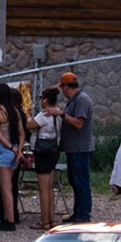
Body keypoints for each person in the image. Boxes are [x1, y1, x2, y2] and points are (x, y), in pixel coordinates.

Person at [0, 81, 29, 231]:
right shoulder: (16, 112)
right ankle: (8, 217)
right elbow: (21, 133)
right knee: (9, 186)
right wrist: (18, 150)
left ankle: (9, 220)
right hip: (15, 151)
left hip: (3, 150)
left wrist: (10, 148)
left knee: (5, 187)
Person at [58, 71, 96, 223]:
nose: (62, 91)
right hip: (73, 149)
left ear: (67, 86)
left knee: (81, 182)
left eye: (63, 88)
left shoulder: (81, 100)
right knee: (75, 181)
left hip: (80, 149)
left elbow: (79, 123)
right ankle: (77, 212)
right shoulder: (74, 100)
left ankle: (84, 214)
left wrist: (61, 115)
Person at [30, 86, 66, 231]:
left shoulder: (43, 115)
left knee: (43, 188)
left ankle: (44, 221)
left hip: (42, 152)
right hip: (53, 150)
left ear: (45, 100)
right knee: (50, 187)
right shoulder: (57, 115)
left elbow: (29, 125)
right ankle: (51, 220)